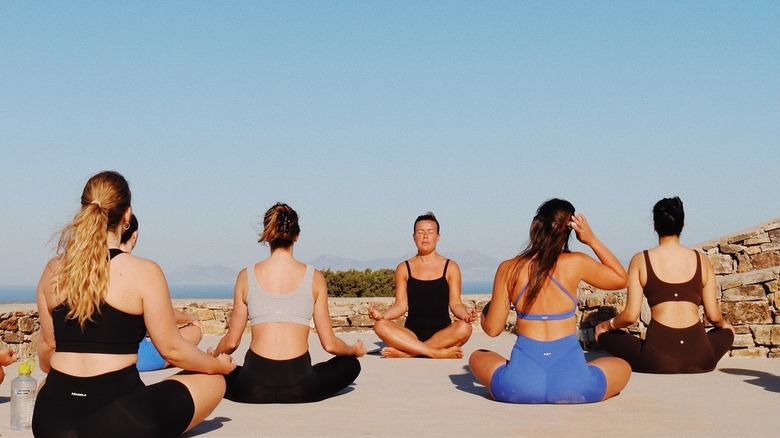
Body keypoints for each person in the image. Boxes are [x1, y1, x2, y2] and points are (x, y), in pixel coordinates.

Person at [33, 170, 235, 437]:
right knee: (213, 382)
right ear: (126, 216)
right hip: (118, 421)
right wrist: (218, 365)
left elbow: (47, 354)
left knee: (49, 382)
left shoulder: (52, 270)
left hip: (50, 422)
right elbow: (173, 350)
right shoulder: (143, 271)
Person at [469, 199, 631, 404]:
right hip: (575, 386)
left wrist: (491, 306)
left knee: (477, 356)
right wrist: (591, 239)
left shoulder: (509, 268)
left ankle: (526, 374)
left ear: (534, 225)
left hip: (518, 387)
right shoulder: (576, 263)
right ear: (568, 233)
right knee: (622, 365)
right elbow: (621, 278)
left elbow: (492, 329)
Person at [210, 202, 365, 403]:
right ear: (297, 235)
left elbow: (231, 342)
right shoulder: (315, 277)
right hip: (301, 387)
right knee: (351, 365)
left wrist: (213, 356)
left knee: (214, 370)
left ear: (267, 236)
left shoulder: (245, 276)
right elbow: (329, 344)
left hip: (252, 387)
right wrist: (354, 349)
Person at [596, 197, 735, 373]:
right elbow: (714, 317)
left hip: (657, 360)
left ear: (654, 225)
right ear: (683, 224)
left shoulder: (641, 260)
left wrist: (606, 325)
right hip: (702, 359)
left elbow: (630, 316)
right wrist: (726, 326)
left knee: (603, 335)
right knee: (727, 331)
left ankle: (606, 334)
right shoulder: (702, 260)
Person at [368, 212, 476, 359]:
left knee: (465, 328)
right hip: (411, 334)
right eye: (420, 232)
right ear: (414, 237)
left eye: (430, 232)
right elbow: (400, 305)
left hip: (442, 333)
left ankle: (408, 353)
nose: (425, 236)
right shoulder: (404, 268)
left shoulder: (451, 267)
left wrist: (466, 316)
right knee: (380, 326)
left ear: (438, 237)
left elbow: (456, 303)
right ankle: (435, 352)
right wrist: (382, 316)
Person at [120, 214, 204, 372]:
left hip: (92, 359)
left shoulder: (86, 268)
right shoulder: (143, 270)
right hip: (138, 356)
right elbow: (164, 313)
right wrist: (190, 319)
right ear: (135, 236)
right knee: (195, 331)